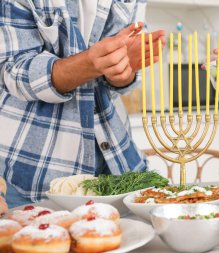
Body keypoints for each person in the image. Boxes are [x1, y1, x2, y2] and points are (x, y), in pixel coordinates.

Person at [0, 0, 165, 208]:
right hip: (34, 174)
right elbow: (13, 72)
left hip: (116, 165)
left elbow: (123, 80)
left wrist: (123, 72)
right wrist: (89, 63)